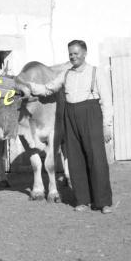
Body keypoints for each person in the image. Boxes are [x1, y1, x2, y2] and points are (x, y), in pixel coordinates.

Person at [28, 40, 114, 214]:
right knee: (75, 159)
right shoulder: (66, 74)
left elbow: (107, 101)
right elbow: (48, 88)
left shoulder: (96, 72)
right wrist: (28, 86)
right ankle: (82, 200)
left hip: (90, 112)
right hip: (70, 113)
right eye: (70, 54)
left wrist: (107, 126)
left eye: (76, 53)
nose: (73, 56)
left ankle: (103, 202)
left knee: (96, 159)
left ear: (84, 53)